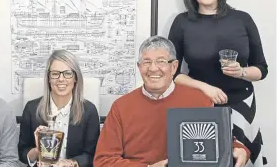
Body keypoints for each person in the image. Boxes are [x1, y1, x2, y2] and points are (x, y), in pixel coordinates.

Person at [167, 0, 268, 166]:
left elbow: (262, 69)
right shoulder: (182, 23)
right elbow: (172, 73)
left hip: (242, 103)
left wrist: (241, 72)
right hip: (201, 103)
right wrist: (205, 88)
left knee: (243, 159)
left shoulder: (243, 19)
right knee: (207, 160)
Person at [93, 36, 250, 167]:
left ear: (174, 67)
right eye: (146, 62)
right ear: (139, 67)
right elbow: (103, 161)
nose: (153, 68)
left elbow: (220, 143)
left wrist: (239, 149)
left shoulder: (199, 100)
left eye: (161, 61)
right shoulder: (121, 107)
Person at [18, 50, 100, 167]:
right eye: (55, 73)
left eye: (67, 73)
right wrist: (38, 151)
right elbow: (22, 151)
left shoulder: (89, 111)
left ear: (75, 78)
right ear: (48, 78)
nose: (61, 79)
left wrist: (71, 163)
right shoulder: (32, 108)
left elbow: (93, 154)